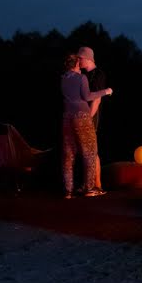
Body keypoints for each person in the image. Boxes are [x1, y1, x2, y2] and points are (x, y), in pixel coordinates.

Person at [61, 53, 112, 199]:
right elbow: (88, 96)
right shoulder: (81, 78)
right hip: (82, 117)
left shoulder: (63, 79)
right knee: (89, 153)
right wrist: (106, 91)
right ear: (76, 64)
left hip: (67, 118)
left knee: (68, 155)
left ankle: (68, 191)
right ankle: (89, 189)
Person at [77, 46, 107, 191]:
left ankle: (98, 184)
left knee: (91, 150)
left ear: (87, 58)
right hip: (83, 115)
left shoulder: (98, 75)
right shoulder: (83, 75)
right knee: (85, 150)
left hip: (91, 116)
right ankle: (88, 184)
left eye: (80, 58)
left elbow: (97, 99)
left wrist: (88, 117)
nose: (78, 61)